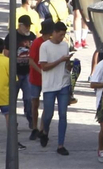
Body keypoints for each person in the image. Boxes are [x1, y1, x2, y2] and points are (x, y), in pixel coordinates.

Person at [35, 21, 73, 153]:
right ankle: (45, 131)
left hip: (63, 83)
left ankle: (60, 145)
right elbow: (44, 67)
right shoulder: (45, 46)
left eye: (64, 35)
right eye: (60, 34)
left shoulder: (65, 46)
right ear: (54, 33)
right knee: (48, 114)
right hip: (49, 85)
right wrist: (60, 60)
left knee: (63, 114)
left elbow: (66, 65)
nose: (62, 37)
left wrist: (69, 64)